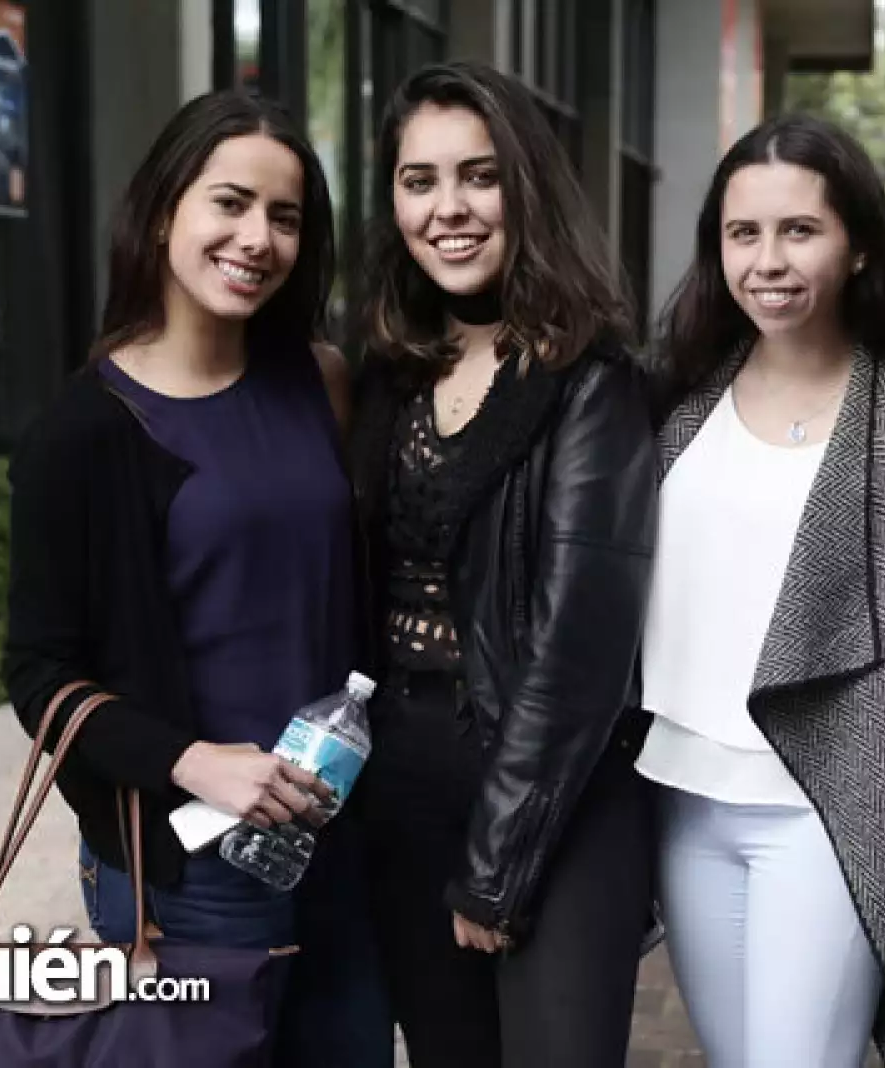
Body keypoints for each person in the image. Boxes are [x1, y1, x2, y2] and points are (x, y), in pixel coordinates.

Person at [3, 90, 393, 1067]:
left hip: (333, 838)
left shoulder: (321, 382)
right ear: (165, 209)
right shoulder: (86, 431)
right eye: (230, 203)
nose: (256, 237)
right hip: (188, 861)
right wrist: (192, 758)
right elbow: (38, 672)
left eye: (286, 215)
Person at [641, 113, 885, 1068]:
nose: (768, 260)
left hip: (830, 809)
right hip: (685, 796)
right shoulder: (678, 402)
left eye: (799, 231)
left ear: (858, 243)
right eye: (743, 234)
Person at [347, 60, 658, 1068]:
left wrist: (498, 863)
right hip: (400, 785)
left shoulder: (591, 378)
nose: (448, 209)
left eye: (477, 176)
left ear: (523, 185)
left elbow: (582, 642)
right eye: (418, 180)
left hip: (549, 801)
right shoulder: (388, 370)